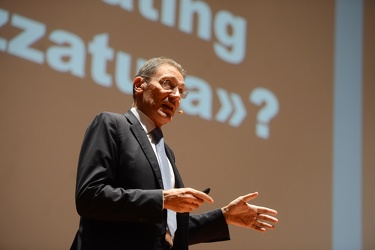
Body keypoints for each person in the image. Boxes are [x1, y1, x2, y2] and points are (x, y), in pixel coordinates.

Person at [70, 57, 278, 250]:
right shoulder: (112, 124)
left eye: (181, 91)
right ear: (139, 85)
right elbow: (90, 196)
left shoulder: (166, 152)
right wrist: (161, 199)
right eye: (167, 84)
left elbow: (167, 230)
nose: (176, 95)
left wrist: (224, 217)